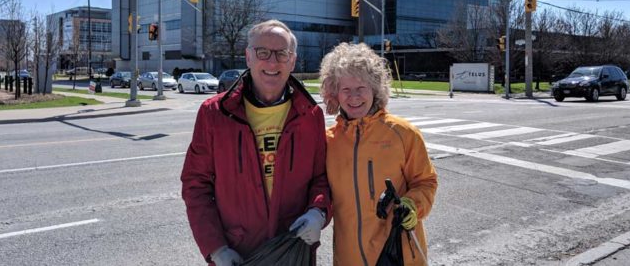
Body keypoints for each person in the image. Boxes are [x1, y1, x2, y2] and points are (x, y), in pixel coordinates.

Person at [181, 20, 331, 266]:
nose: (272, 62)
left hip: (293, 250)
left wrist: (319, 212)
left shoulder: (310, 115)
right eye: (263, 52)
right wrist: (215, 248)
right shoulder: (214, 113)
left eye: (282, 54)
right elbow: (195, 186)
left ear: (292, 61)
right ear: (248, 57)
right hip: (237, 253)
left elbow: (321, 179)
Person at [320, 42, 438, 266]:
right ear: (335, 93)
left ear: (375, 89)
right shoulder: (328, 141)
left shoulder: (404, 134)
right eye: (346, 89)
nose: (354, 97)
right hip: (348, 257)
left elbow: (426, 181)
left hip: (399, 254)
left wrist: (413, 205)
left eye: (361, 88)